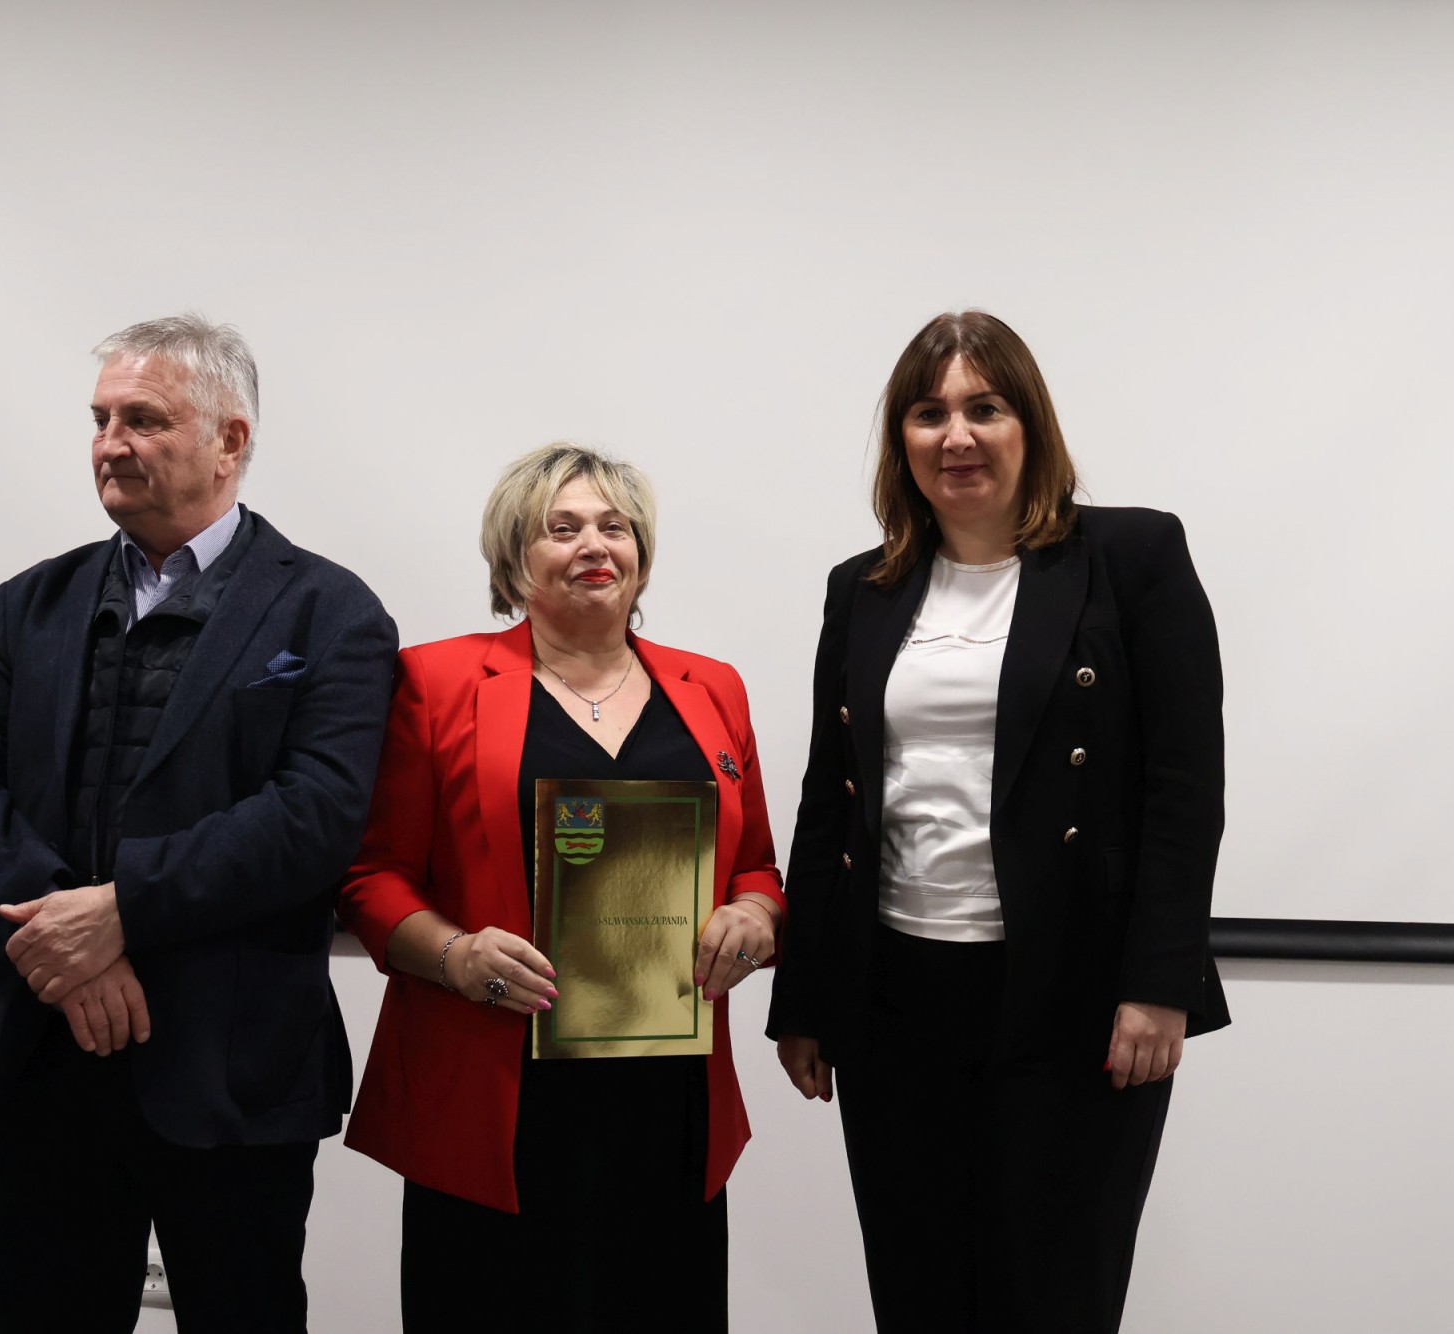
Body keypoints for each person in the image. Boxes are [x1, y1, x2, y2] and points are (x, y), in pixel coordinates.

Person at [0, 314, 397, 1333]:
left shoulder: (331, 611)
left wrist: (123, 909)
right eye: (100, 419)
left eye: (143, 419)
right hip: (44, 1052)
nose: (110, 443)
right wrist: (68, 940)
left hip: (232, 1068)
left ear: (230, 440)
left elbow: (313, 817)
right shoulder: (30, 603)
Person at [766, 311, 1230, 1332]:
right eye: (928, 414)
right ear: (901, 439)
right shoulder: (863, 588)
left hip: (1073, 991)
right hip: (894, 992)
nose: (957, 436)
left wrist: (1158, 984)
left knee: (1053, 1294)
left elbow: (1185, 787)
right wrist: (803, 994)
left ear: (1031, 425)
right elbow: (828, 796)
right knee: (918, 1291)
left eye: (984, 408)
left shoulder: (1131, 555)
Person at [340, 443, 784, 1332]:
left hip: (669, 1099)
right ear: (515, 557)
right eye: (563, 527)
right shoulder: (436, 681)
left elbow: (757, 866)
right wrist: (455, 955)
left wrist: (755, 915)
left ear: (641, 552)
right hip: (497, 1095)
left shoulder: (712, 687)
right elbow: (371, 876)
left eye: (615, 527)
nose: (594, 545)